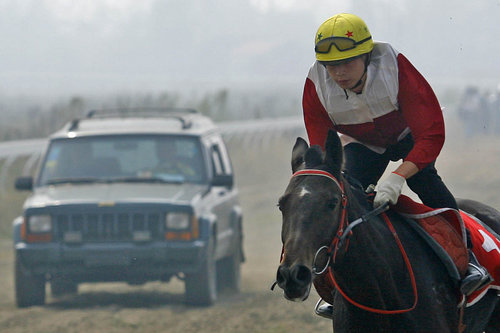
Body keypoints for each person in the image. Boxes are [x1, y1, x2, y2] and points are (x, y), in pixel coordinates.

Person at [302, 13, 492, 319]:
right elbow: (324, 152)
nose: (338, 73)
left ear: (366, 55)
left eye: (347, 62)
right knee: (346, 203)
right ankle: (339, 283)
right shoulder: (316, 87)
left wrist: (398, 176)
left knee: (434, 194)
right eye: (330, 65)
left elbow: (431, 134)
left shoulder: (395, 68)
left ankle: (469, 263)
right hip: (361, 142)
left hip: (407, 135)